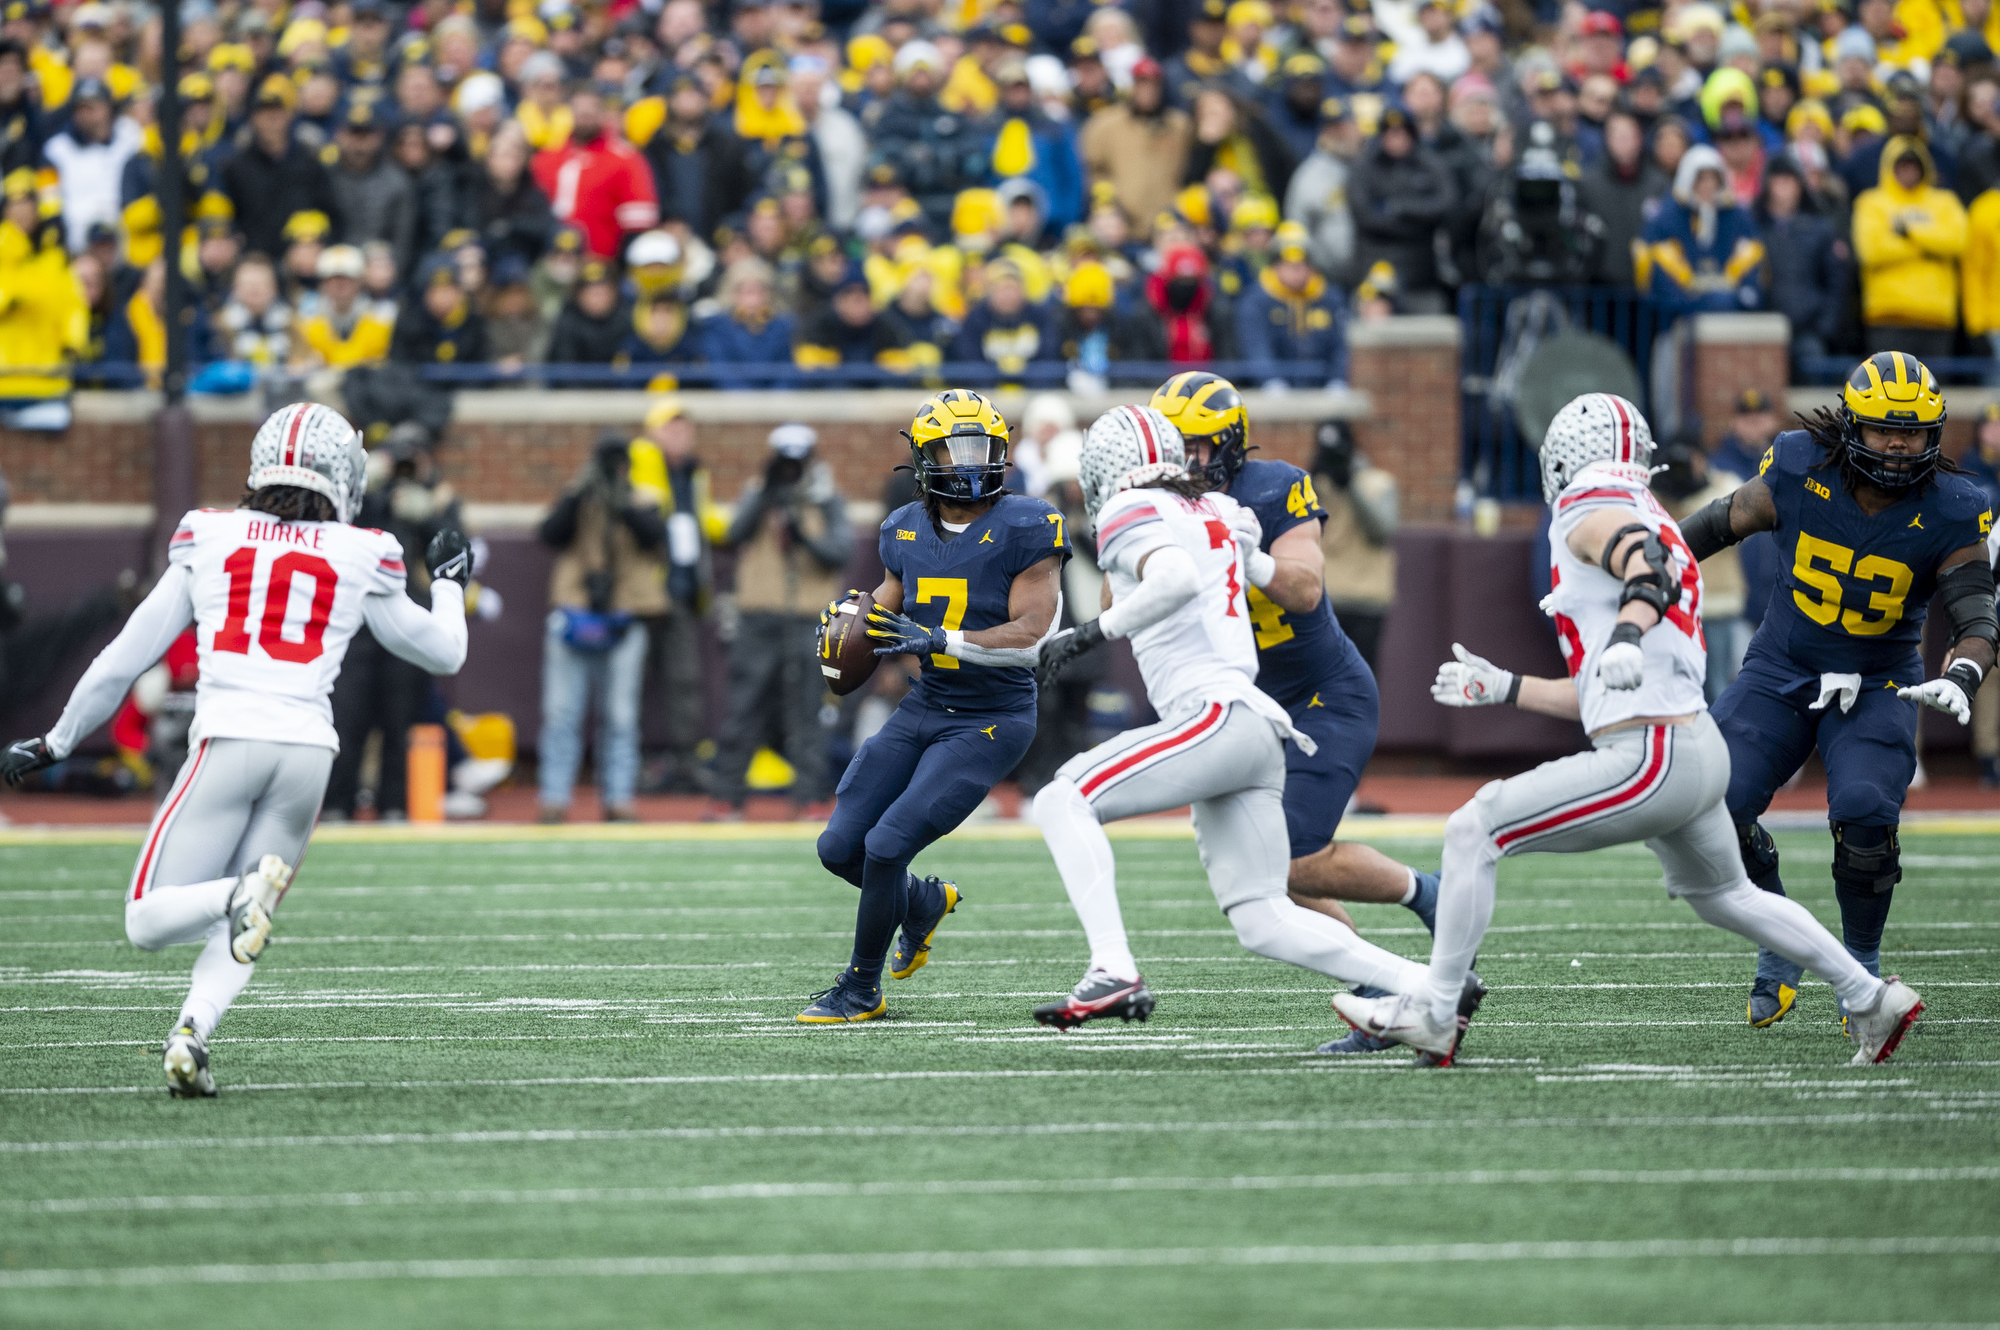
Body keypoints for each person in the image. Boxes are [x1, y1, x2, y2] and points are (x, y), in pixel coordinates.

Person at [1335, 393, 1924, 1069]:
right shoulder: (1653, 512)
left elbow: (1645, 571)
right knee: (1726, 895)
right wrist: (1507, 688)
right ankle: (1869, 995)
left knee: (1476, 827)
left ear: (1562, 459)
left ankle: (1436, 1011)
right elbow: (1609, 682)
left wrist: (1622, 631)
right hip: (1693, 748)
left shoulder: (1590, 506)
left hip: (1651, 755)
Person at [0, 402, 469, 1096]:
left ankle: (233, 907)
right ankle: (191, 1032)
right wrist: (452, 583)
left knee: (147, 920)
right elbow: (446, 652)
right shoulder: (359, 552)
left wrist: (58, 739)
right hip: (309, 754)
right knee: (250, 916)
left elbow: (121, 660)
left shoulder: (209, 536)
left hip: (231, 740)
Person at [1028, 404, 1434, 1031]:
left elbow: (1175, 577)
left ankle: (1112, 969)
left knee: (1062, 800)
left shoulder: (1128, 509)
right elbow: (1215, 557)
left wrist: (1088, 634)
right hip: (1256, 726)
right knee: (1262, 917)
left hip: (1213, 714)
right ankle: (1429, 986)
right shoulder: (1222, 510)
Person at [1681, 353, 1996, 1031]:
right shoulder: (1800, 467)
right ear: (1853, 424)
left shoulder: (1953, 506)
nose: (1899, 444)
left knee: (1863, 813)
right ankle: (1779, 939)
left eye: (1913, 432)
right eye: (1885, 428)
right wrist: (1648, 572)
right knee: (1713, 802)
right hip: (1781, 666)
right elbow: (1719, 522)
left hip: (1883, 678)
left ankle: (1861, 967)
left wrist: (1963, 674)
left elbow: (1977, 616)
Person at [1148, 373, 1435, 1053]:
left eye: (1195, 446)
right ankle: (1382, 1000)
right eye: (1172, 446)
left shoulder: (1272, 488)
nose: (1183, 461)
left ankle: (1430, 894)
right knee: (1260, 875)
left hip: (1320, 695)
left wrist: (1244, 554)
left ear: (1229, 443)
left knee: (1295, 858)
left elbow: (1305, 589)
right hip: (1248, 707)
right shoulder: (1158, 502)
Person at [799, 391, 1067, 1022]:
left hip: (992, 717)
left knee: (888, 843)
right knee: (840, 847)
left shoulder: (1029, 524)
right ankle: (920, 904)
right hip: (928, 705)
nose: (969, 463)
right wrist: (850, 626)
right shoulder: (904, 529)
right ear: (924, 457)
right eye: (955, 448)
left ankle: (862, 987)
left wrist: (944, 639)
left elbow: (1034, 634)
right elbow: (883, 613)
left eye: (981, 447)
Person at [324, 424, 463, 821]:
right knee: (347, 715)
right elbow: (335, 528)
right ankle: (337, 803)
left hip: (406, 614)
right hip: (357, 621)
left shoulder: (437, 496)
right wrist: (366, 487)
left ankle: (395, 805)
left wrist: (430, 514)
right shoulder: (362, 493)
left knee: (401, 718)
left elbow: (454, 549)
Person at [711, 424, 850, 819]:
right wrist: (767, 495)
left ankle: (807, 796)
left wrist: (803, 535)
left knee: (808, 708)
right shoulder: (758, 493)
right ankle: (728, 794)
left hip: (809, 615)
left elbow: (840, 552)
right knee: (744, 705)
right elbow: (732, 534)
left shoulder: (827, 499)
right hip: (758, 615)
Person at [536, 431, 668, 823]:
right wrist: (581, 493)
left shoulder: (645, 497)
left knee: (621, 716)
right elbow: (550, 534)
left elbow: (653, 537)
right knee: (561, 713)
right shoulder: (578, 496)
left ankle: (619, 798)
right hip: (575, 615)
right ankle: (555, 799)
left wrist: (620, 500)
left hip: (625, 618)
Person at [630, 398, 721, 795]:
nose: (680, 434)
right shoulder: (640, 463)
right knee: (628, 685)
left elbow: (706, 522)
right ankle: (628, 767)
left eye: (685, 427)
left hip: (681, 590)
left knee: (684, 682)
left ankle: (685, 763)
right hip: (638, 593)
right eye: (670, 427)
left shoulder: (693, 473)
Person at [1852, 137, 1968, 361]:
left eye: (1914, 165)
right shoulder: (1872, 202)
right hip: (1887, 317)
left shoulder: (1945, 201)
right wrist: (1929, 249)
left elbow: (1958, 240)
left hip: (1936, 317)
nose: (1908, 171)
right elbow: (1871, 250)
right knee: (1887, 391)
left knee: (1933, 393)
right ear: (1889, 167)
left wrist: (1908, 233)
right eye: (1902, 165)